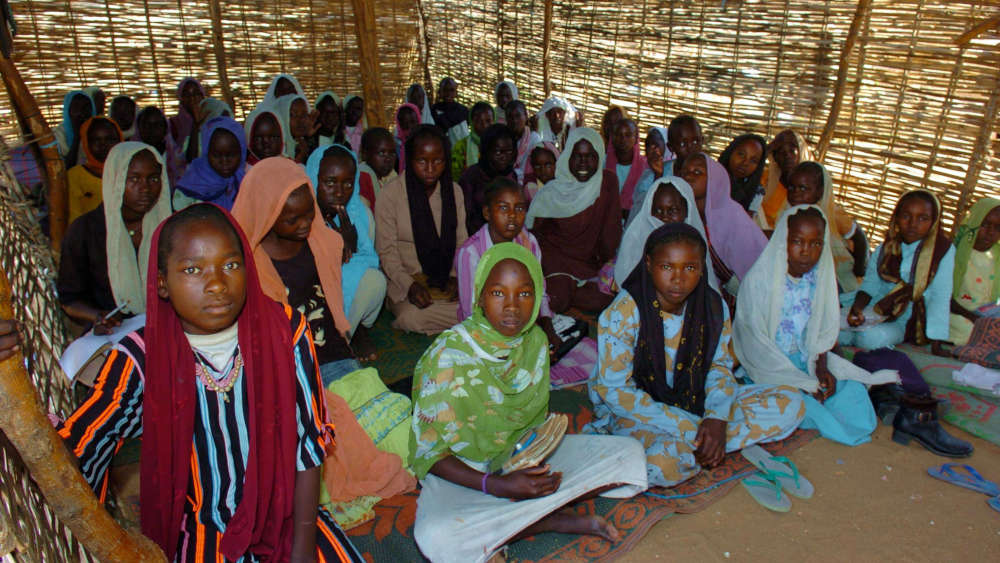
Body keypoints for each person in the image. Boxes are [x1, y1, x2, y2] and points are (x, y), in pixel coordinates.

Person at [57, 203, 363, 562]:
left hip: (286, 512)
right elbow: (83, 442)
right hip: (203, 524)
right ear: (162, 283)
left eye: (230, 265)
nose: (217, 284)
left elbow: (307, 443)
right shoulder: (141, 358)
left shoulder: (285, 330)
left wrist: (302, 550)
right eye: (192, 269)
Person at [412, 243, 648, 563]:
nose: (512, 306)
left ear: (537, 299)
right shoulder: (447, 355)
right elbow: (429, 454)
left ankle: (514, 518)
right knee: (437, 537)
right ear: (480, 297)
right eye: (498, 293)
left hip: (517, 456)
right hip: (463, 472)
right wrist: (496, 485)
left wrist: (534, 463)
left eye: (524, 293)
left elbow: (532, 423)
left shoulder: (535, 342)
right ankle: (550, 519)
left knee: (630, 456)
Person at [586, 223, 804, 487]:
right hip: (637, 411)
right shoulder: (622, 313)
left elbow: (719, 367)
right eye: (667, 267)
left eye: (689, 268)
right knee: (662, 464)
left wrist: (717, 417)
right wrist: (692, 425)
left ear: (702, 268)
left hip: (694, 399)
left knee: (792, 402)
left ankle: (705, 445)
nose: (678, 279)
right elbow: (616, 391)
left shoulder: (712, 307)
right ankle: (708, 444)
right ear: (649, 264)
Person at [734, 206, 889, 446]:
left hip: (807, 359)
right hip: (771, 366)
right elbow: (756, 345)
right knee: (793, 402)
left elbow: (822, 331)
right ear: (783, 240)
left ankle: (814, 401)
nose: (806, 251)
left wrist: (821, 367)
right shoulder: (759, 281)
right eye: (797, 241)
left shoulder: (819, 279)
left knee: (852, 392)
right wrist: (800, 381)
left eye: (816, 243)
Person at [231, 157, 357, 384]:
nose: (306, 224)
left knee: (377, 401)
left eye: (310, 213)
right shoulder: (247, 262)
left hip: (330, 352)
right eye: (293, 219)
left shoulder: (321, 243)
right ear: (267, 215)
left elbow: (331, 306)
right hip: (283, 365)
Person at [58, 142, 172, 331]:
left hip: (167, 327)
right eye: (134, 179)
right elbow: (69, 299)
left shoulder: (172, 227)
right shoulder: (85, 231)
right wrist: (96, 316)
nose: (145, 188)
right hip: (112, 332)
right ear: (115, 180)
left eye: (153, 178)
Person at [375, 125, 468, 334]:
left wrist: (456, 277)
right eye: (422, 161)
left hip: (446, 282)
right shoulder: (390, 195)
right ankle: (463, 319)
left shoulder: (454, 192)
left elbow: (462, 243)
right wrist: (410, 285)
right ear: (409, 160)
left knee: (482, 302)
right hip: (407, 282)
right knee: (411, 318)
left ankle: (460, 315)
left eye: (438, 161)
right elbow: (386, 252)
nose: (430, 169)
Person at [454, 177, 562, 348]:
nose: (512, 215)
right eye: (503, 208)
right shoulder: (471, 253)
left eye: (519, 208)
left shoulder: (529, 243)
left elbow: (539, 291)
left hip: (522, 322)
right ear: (487, 213)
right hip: (482, 330)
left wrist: (549, 331)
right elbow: (470, 311)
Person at [842, 190, 954, 354]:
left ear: (934, 221)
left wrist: (936, 342)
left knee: (868, 339)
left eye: (923, 218)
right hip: (875, 309)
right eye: (906, 216)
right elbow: (870, 286)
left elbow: (940, 297)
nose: (913, 224)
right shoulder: (885, 248)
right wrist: (857, 310)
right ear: (896, 218)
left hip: (906, 318)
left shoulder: (942, 252)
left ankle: (857, 337)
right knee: (833, 329)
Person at [527, 127, 621, 313]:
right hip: (555, 262)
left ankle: (566, 294)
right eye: (577, 156)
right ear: (567, 157)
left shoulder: (606, 183)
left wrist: (604, 265)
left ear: (599, 157)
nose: (583, 163)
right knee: (559, 299)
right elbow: (532, 237)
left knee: (603, 300)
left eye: (590, 156)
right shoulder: (551, 193)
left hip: (588, 264)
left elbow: (611, 234)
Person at [307, 144, 387, 359]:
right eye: (330, 182)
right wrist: (334, 249)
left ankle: (349, 332)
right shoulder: (300, 214)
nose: (339, 192)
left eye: (348, 183)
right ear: (313, 178)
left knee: (374, 281)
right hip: (311, 295)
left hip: (346, 291)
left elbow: (369, 261)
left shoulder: (358, 213)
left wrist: (350, 245)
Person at [678, 152, 766, 292]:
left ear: (714, 179)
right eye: (684, 172)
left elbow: (757, 272)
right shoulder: (682, 214)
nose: (688, 176)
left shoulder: (733, 216)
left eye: (697, 172)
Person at [614, 177, 716, 290]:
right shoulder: (636, 239)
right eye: (658, 210)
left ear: (688, 211)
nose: (665, 217)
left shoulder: (695, 244)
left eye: (673, 210)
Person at [785, 161, 867, 293]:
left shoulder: (832, 214)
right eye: (791, 187)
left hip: (837, 275)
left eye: (803, 188)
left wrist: (859, 269)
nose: (795, 193)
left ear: (819, 192)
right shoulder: (787, 213)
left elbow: (859, 238)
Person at [950, 198, 1000, 345]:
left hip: (986, 313)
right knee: (969, 330)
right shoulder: (954, 254)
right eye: (984, 225)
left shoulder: (996, 257)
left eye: (998, 227)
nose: (990, 232)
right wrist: (974, 318)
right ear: (974, 223)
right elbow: (945, 299)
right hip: (957, 312)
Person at [174, 116, 247, 210]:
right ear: (206, 153)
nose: (224, 161)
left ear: (242, 153)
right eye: (216, 155)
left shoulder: (244, 183)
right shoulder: (191, 186)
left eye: (231, 155)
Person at [458, 123, 517, 235]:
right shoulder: (470, 177)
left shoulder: (511, 176)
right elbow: (464, 219)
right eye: (498, 152)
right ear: (486, 151)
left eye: (509, 151)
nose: (504, 157)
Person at [67, 116, 123, 224]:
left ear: (119, 141)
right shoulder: (75, 176)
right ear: (86, 142)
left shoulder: (129, 172)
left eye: (110, 139)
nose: (103, 145)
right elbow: (74, 221)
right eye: (96, 140)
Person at [757, 129, 812, 231]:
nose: (787, 155)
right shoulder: (765, 180)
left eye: (792, 150)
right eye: (781, 151)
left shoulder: (812, 186)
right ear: (775, 157)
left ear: (801, 152)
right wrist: (768, 149)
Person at [629, 126, 674, 223]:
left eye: (656, 144)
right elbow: (637, 203)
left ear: (666, 146)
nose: (652, 148)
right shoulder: (646, 173)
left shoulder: (673, 171)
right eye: (648, 145)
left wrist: (658, 174)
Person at [134, 106, 185, 186]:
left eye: (157, 124)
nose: (152, 129)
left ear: (165, 128)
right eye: (147, 124)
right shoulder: (131, 156)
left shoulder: (176, 156)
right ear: (139, 127)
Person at [717, 134, 766, 214]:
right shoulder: (710, 179)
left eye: (753, 160)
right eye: (741, 154)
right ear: (731, 152)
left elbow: (745, 220)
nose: (745, 163)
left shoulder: (756, 191)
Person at [606, 118, 648, 212]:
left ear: (636, 138)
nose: (623, 139)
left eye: (628, 135)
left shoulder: (645, 167)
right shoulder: (603, 164)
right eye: (618, 134)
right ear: (612, 137)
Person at [450, 101, 494, 180]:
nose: (484, 125)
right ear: (471, 122)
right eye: (479, 121)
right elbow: (454, 175)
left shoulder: (498, 144)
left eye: (488, 121)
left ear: (494, 120)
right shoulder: (461, 146)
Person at [53, 90, 95, 166]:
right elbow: (66, 167)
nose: (81, 112)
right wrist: (77, 136)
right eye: (76, 107)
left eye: (86, 107)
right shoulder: (58, 134)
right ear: (68, 111)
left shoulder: (97, 131)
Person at [357, 127, 397, 208]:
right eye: (381, 153)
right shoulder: (363, 177)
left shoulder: (391, 176)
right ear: (365, 154)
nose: (388, 159)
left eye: (392, 153)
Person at [507, 100, 542, 183]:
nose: (514, 120)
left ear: (526, 116)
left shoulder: (534, 139)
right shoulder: (504, 140)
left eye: (518, 116)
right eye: (510, 117)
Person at [275, 94, 316, 163]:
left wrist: (309, 138)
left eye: (304, 114)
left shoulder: (303, 144)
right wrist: (301, 156)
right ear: (282, 116)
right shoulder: (274, 149)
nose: (301, 120)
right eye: (293, 115)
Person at [431, 77, 470, 146]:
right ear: (440, 92)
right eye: (445, 90)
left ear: (456, 93)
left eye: (452, 90)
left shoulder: (463, 110)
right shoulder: (433, 110)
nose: (448, 93)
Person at [168, 77, 204, 146]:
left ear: (202, 96)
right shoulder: (173, 125)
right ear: (181, 98)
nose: (192, 98)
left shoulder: (212, 118)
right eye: (187, 95)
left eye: (196, 93)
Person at [394, 102, 422, 171]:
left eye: (413, 122)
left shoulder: (425, 142)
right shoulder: (396, 146)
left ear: (418, 120)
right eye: (405, 124)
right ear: (400, 125)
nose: (410, 127)